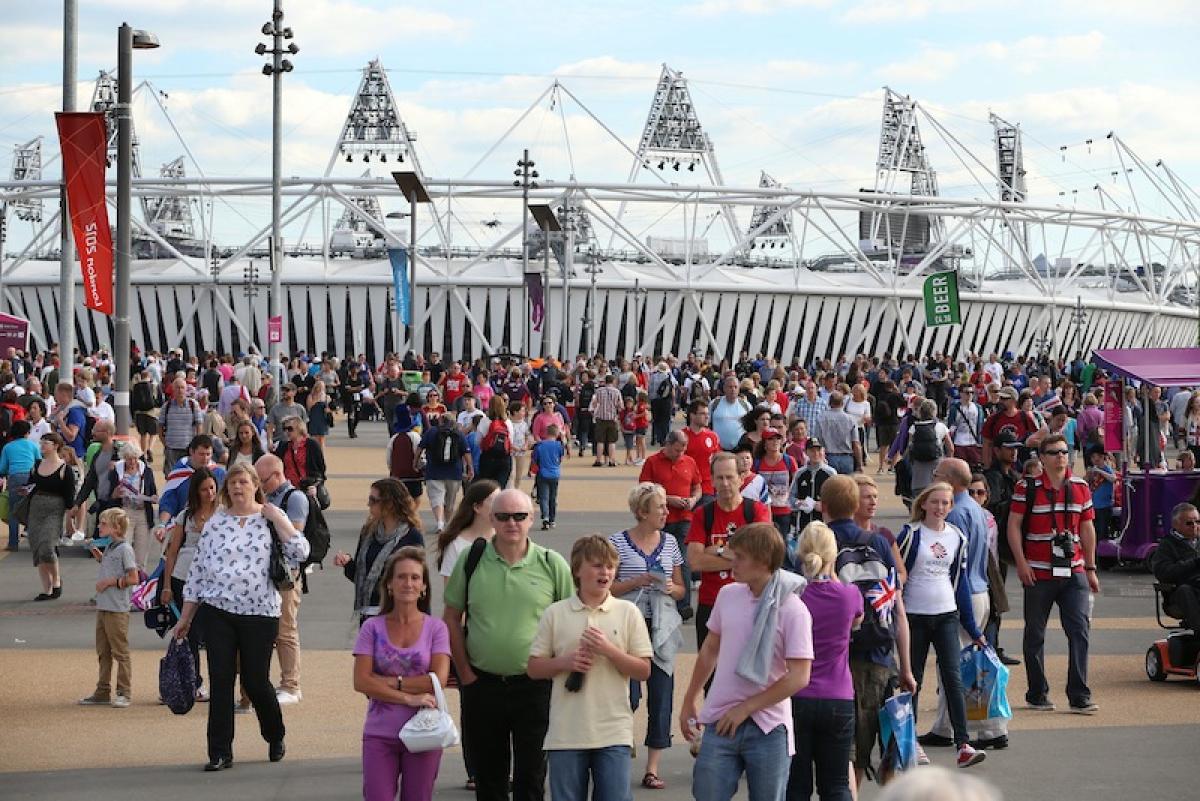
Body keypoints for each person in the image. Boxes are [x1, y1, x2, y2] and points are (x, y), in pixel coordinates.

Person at [175, 463, 310, 772]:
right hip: (217, 611)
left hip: (260, 613)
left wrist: (278, 518)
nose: (237, 488)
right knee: (221, 680)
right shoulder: (216, 522)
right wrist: (186, 617)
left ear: (254, 485)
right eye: (233, 483)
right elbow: (198, 571)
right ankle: (220, 752)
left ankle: (274, 733)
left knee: (255, 681)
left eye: (243, 482)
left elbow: (302, 552)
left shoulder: (270, 517)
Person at [442, 488, 573, 801]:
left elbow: (570, 623)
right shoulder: (471, 560)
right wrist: (465, 674)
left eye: (520, 516)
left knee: (531, 777)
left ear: (532, 518)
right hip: (482, 684)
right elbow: (450, 618)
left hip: (535, 687)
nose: (511, 523)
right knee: (489, 778)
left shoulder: (552, 564)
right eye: (503, 516)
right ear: (491, 519)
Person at [680, 523, 814, 801]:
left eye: (739, 556)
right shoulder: (727, 595)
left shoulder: (793, 609)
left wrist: (746, 708)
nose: (731, 561)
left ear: (763, 560)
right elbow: (709, 649)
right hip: (720, 719)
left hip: (769, 727)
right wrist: (690, 698)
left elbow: (799, 675)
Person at [528, 536, 653, 801]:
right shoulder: (556, 613)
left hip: (613, 732)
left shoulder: (628, 612)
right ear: (577, 569)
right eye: (597, 566)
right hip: (566, 734)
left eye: (610, 566)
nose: (605, 572)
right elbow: (534, 668)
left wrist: (609, 650)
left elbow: (643, 670)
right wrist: (565, 662)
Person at [819, 475, 916, 786]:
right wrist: (906, 667)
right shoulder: (878, 542)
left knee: (842, 753)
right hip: (878, 655)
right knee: (875, 747)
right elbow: (896, 608)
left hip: (831, 660)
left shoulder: (819, 542)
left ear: (824, 505)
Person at [1006, 433, 1100, 715]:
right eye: (1054, 452)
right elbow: (1014, 525)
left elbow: (1087, 528)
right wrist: (1020, 563)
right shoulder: (1028, 486)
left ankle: (1079, 694)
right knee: (1035, 633)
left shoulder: (1081, 486)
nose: (1061, 456)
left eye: (1064, 451)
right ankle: (1037, 693)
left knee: (1080, 631)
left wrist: (1092, 568)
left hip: (1074, 571)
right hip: (1037, 571)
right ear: (1042, 458)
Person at [895, 483, 986, 769]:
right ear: (923, 504)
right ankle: (911, 742)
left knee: (953, 678)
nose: (940, 507)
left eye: (946, 502)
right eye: (935, 502)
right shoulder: (910, 535)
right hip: (915, 616)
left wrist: (973, 629)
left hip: (946, 614)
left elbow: (961, 585)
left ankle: (963, 744)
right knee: (914, 679)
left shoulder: (957, 536)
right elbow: (896, 577)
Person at [922, 459, 1007, 752]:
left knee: (956, 665)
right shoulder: (975, 508)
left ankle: (984, 728)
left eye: (937, 474)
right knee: (963, 663)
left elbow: (952, 562)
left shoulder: (955, 513)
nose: (933, 477)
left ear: (950, 480)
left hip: (963, 594)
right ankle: (951, 726)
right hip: (978, 590)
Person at [353, 547, 451, 801]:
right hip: (379, 733)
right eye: (401, 577)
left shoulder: (436, 629)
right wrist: (409, 697)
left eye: (415, 577)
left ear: (424, 586)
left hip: (425, 733)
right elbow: (361, 681)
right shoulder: (371, 628)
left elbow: (436, 680)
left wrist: (390, 682)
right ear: (389, 585)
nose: (408, 583)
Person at [608, 483, 686, 790]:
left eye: (666, 506)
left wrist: (670, 588)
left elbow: (681, 589)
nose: (667, 512)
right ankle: (620, 744)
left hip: (662, 626)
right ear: (642, 512)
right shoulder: (617, 542)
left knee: (662, 695)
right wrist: (637, 581)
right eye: (661, 507)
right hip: (628, 625)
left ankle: (652, 768)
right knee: (628, 694)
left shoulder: (670, 543)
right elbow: (606, 588)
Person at [788, 521, 862, 801]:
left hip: (797, 692)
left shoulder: (793, 596)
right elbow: (857, 622)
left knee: (796, 785)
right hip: (838, 695)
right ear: (834, 554)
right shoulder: (849, 595)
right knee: (837, 784)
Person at [687, 452, 772, 649]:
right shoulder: (703, 515)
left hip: (750, 602)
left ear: (741, 478)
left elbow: (764, 559)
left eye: (730, 477)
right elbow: (695, 562)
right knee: (711, 673)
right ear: (712, 481)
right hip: (712, 604)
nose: (725, 483)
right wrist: (743, 557)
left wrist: (715, 550)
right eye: (720, 478)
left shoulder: (756, 511)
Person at [256, 454, 312, 706]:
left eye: (262, 480)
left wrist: (274, 517)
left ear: (277, 476)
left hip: (286, 574)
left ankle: (291, 685)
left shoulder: (295, 498)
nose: (259, 485)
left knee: (285, 630)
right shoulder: (267, 497)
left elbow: (295, 536)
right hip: (265, 572)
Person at [160, 466, 218, 702]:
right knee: (187, 634)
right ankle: (191, 682)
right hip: (183, 577)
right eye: (204, 489)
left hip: (213, 581)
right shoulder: (185, 515)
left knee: (211, 635)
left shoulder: (223, 514)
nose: (209, 493)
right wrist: (165, 585)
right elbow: (172, 552)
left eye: (212, 488)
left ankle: (208, 682)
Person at [332, 478, 425, 623]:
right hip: (367, 615)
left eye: (373, 500)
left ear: (390, 504)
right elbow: (359, 576)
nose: (368, 504)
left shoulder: (412, 537)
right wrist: (348, 563)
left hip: (398, 616)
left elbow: (419, 583)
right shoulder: (369, 532)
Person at [77, 508, 139, 709]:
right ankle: (102, 691)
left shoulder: (125, 549)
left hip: (117, 608)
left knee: (120, 652)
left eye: (103, 524)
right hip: (104, 606)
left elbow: (133, 578)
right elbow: (107, 563)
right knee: (103, 651)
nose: (99, 526)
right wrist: (95, 552)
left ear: (116, 527)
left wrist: (110, 582)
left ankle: (124, 692)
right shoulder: (112, 547)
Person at [24, 432, 77, 600]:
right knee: (37, 548)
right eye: (42, 443)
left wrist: (70, 520)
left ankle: (57, 581)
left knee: (47, 545)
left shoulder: (64, 469)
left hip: (55, 509)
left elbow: (69, 498)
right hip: (36, 508)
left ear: (55, 445)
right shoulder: (37, 464)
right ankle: (46, 588)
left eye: (45, 443)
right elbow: (30, 484)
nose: (42, 446)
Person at [107, 441, 159, 572]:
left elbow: (153, 492)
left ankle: (140, 584)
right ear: (124, 458)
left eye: (135, 458)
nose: (132, 461)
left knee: (141, 554)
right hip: (125, 512)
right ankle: (124, 579)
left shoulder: (146, 471)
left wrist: (153, 498)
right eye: (129, 458)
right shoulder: (117, 472)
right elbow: (110, 496)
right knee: (124, 547)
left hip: (143, 514)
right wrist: (116, 493)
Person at [416, 413, 473, 531]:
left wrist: (415, 461)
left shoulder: (431, 432)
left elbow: (420, 448)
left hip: (434, 472)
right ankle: (448, 524)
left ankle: (440, 523)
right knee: (450, 501)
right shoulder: (459, 434)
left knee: (437, 498)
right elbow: (466, 453)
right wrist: (470, 468)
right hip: (454, 473)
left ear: (441, 420)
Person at [1151, 503, 1200, 631]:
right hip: (1178, 593)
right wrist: (1194, 563)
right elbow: (1163, 572)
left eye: (1198, 522)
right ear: (1176, 525)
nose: (1195, 526)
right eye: (1189, 523)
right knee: (1185, 590)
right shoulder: (1167, 545)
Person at [0, 419, 38, 551]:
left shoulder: (8, 447)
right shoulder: (33, 445)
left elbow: (2, 468)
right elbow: (39, 461)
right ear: (27, 433)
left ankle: (13, 543)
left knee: (13, 511)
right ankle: (35, 543)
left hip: (15, 478)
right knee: (33, 510)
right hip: (31, 477)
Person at [274, 417, 327, 505]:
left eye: (290, 429)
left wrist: (316, 485)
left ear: (299, 428)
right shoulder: (283, 446)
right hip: (289, 490)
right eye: (284, 429)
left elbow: (321, 468)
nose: (287, 432)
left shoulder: (311, 445)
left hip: (308, 489)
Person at [789, 437, 837, 533]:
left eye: (818, 450)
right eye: (812, 450)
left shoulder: (831, 473)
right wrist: (803, 504)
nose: (816, 453)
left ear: (824, 451)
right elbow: (790, 498)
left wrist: (824, 506)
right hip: (803, 525)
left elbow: (837, 500)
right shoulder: (800, 473)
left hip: (825, 526)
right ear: (806, 452)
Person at [160, 377, 203, 471]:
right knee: (171, 476)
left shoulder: (193, 405)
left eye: (182, 387)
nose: (180, 390)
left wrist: (196, 445)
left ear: (186, 389)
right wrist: (166, 444)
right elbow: (160, 427)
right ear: (173, 389)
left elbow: (199, 426)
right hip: (171, 449)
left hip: (189, 449)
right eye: (177, 387)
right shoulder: (166, 406)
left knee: (189, 475)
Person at [813, 392, 860, 475]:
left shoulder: (821, 418)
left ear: (829, 403)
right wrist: (859, 464)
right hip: (847, 457)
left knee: (830, 486)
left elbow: (818, 440)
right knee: (847, 486)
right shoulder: (851, 419)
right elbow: (856, 444)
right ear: (842, 403)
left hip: (828, 457)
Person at [531, 423, 565, 530]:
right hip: (555, 473)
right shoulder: (559, 445)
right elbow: (560, 459)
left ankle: (545, 517)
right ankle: (552, 519)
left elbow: (535, 460)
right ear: (557, 434)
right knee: (553, 497)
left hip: (542, 473)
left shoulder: (540, 445)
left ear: (546, 433)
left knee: (543, 497)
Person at [478, 395, 515, 489]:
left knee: (486, 488)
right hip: (504, 458)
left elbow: (477, 441)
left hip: (488, 457)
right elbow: (511, 440)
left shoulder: (485, 421)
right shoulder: (508, 422)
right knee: (500, 487)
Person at [590, 374, 623, 468]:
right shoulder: (616, 391)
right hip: (612, 418)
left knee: (600, 441)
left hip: (601, 418)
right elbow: (621, 406)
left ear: (605, 381)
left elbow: (594, 403)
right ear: (613, 381)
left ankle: (598, 460)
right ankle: (612, 461)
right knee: (611, 441)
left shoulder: (599, 391)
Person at [711, 375, 752, 451]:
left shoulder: (746, 405)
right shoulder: (714, 404)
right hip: (718, 449)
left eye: (735, 387)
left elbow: (751, 426)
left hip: (740, 449)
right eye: (730, 387)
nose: (733, 390)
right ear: (724, 388)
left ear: (739, 389)